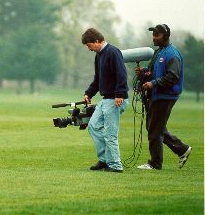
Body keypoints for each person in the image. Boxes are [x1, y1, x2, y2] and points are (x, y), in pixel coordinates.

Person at [136, 24, 192, 170]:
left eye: (157, 35)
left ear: (166, 36)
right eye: (153, 35)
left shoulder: (172, 54)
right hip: (157, 95)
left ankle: (155, 164)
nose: (154, 38)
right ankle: (182, 149)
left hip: (166, 96)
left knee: (154, 129)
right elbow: (154, 72)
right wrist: (145, 72)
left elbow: (173, 77)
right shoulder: (159, 52)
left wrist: (153, 84)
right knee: (154, 127)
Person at [82, 28, 129, 173]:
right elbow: (98, 79)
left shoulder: (113, 52)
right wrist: (89, 93)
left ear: (97, 41)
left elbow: (122, 74)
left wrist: (120, 94)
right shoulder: (99, 55)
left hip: (116, 99)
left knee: (110, 133)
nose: (89, 49)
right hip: (106, 99)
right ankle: (104, 160)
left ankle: (115, 165)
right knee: (93, 126)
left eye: (89, 46)